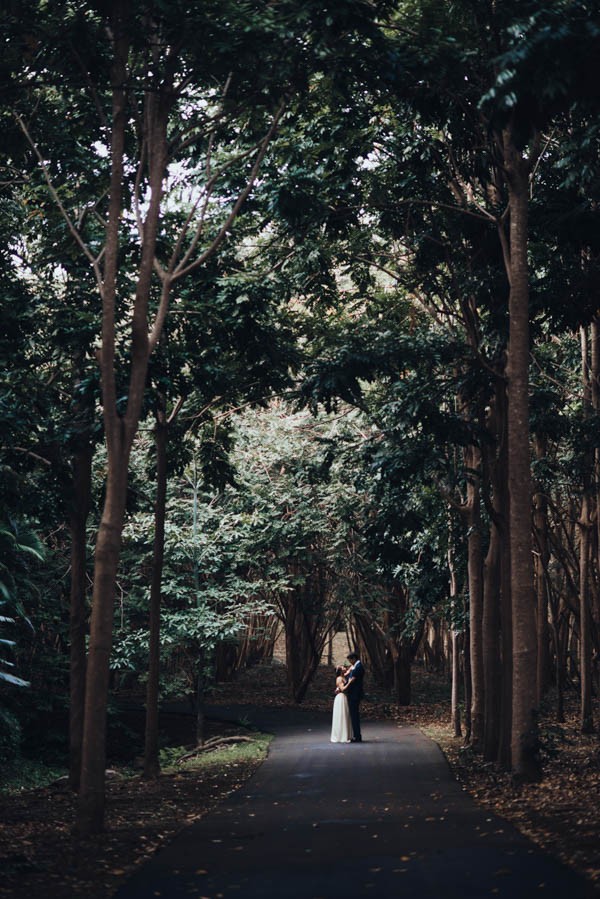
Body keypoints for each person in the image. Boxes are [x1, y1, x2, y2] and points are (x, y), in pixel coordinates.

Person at [344, 651, 364, 742]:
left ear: (354, 659)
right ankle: (356, 735)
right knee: (353, 715)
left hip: (355, 694)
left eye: (350, 660)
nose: (350, 662)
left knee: (354, 715)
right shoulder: (355, 667)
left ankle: (357, 736)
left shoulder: (358, 667)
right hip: (353, 694)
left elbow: (352, 680)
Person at [330, 666, 351, 743]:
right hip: (341, 697)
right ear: (340, 671)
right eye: (342, 667)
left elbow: (349, 670)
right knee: (342, 716)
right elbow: (343, 689)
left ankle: (345, 734)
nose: (344, 667)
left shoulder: (343, 676)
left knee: (345, 715)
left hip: (344, 697)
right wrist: (349, 682)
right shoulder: (339, 678)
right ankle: (341, 736)